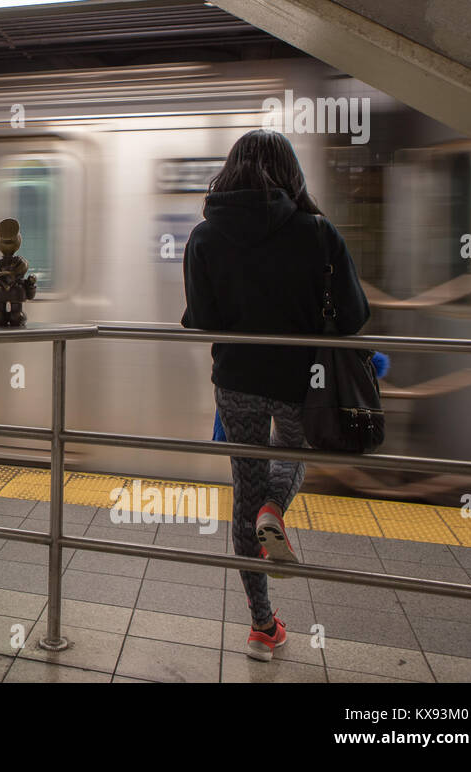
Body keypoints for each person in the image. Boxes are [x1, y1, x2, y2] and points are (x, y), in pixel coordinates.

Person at [181, 129, 369, 662]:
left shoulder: (204, 235)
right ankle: (275, 509)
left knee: (245, 491)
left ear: (231, 168)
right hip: (302, 382)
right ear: (291, 172)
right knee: (296, 456)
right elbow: (354, 317)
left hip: (237, 381)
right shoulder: (317, 232)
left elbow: (204, 321)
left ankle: (263, 628)